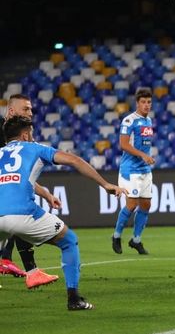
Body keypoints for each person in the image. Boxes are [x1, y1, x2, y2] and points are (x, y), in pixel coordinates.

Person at [0, 116, 127, 309]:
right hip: (22, 214)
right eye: (31, 133)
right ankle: (74, 299)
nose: (33, 136)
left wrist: (46, 194)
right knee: (68, 240)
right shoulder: (35, 148)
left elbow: (14, 180)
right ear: (25, 135)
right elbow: (74, 161)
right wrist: (105, 184)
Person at [0, 93, 60, 288]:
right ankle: (30, 271)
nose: (30, 113)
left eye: (31, 109)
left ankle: (24, 269)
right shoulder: (6, 136)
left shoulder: (17, 135)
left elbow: (17, 177)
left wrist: (47, 194)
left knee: (17, 219)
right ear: (11, 111)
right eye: (25, 109)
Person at [112, 88, 155, 255]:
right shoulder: (129, 121)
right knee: (131, 204)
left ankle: (136, 240)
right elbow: (123, 144)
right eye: (143, 102)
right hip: (130, 170)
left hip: (145, 169)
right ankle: (116, 236)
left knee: (146, 205)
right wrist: (143, 155)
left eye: (149, 102)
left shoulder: (149, 121)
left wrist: (147, 157)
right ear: (137, 103)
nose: (146, 105)